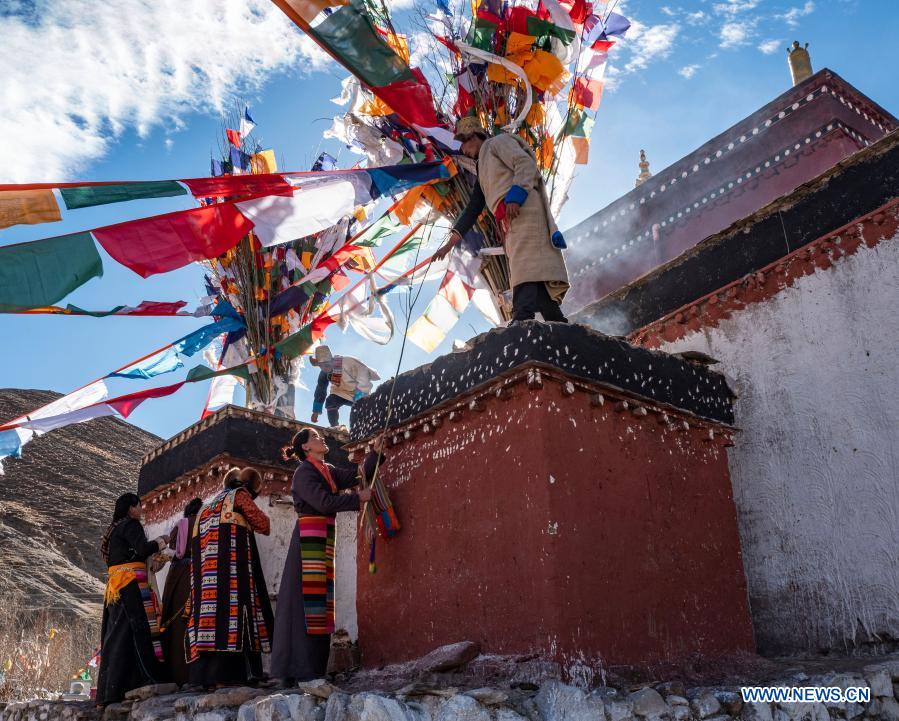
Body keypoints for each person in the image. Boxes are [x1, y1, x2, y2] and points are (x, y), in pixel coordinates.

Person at [271, 428, 381, 682]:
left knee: (320, 602)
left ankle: (313, 668)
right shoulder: (303, 473)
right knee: (304, 604)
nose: (321, 439)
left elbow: (357, 475)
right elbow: (323, 503)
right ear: (306, 448)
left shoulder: (326, 469)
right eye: (315, 437)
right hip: (308, 539)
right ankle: (297, 669)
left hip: (322, 538)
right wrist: (358, 499)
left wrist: (375, 453)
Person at [434, 116, 570, 323]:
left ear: (473, 137)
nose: (462, 150)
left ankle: (521, 317)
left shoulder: (498, 142)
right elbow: (472, 209)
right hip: (509, 218)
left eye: (464, 143)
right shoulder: (482, 169)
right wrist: (448, 245)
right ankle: (557, 322)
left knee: (524, 266)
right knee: (530, 268)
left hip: (523, 208)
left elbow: (524, 163)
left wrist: (516, 197)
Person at [186, 467, 274, 688]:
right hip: (232, 575)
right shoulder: (240, 496)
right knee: (236, 619)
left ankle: (208, 679)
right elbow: (263, 524)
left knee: (211, 625)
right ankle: (239, 675)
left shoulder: (206, 508)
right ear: (251, 487)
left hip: (207, 583)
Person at [96, 493, 169, 706]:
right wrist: (163, 541)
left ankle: (108, 692)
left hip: (115, 587)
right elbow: (142, 549)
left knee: (115, 634)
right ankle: (143, 679)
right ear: (131, 509)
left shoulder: (113, 530)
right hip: (130, 585)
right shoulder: (131, 525)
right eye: (139, 506)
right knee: (138, 631)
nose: (142, 510)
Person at [159, 497, 202, 687]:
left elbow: (174, 548)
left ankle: (174, 673)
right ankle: (195, 672)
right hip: (199, 574)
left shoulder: (181, 524)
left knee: (175, 625)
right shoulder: (204, 522)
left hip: (178, 577)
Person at [309, 345, 380, 427]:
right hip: (340, 392)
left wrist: (361, 392)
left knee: (362, 410)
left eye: (327, 365)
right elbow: (321, 389)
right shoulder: (324, 373)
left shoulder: (347, 361)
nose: (324, 369)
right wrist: (316, 411)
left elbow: (363, 373)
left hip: (358, 391)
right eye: (321, 366)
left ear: (332, 361)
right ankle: (335, 427)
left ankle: (367, 424)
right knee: (330, 401)